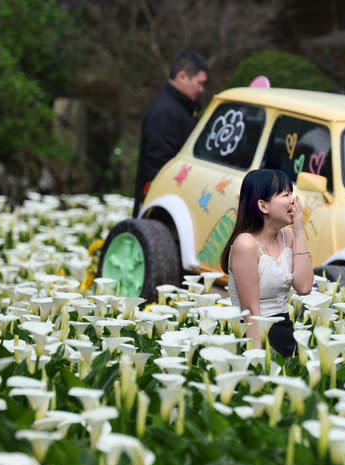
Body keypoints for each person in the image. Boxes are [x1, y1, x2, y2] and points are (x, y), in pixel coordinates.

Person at [220, 169, 314, 357]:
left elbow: (304, 287)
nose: (293, 200)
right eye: (286, 194)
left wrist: (299, 230)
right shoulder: (246, 245)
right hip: (255, 335)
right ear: (263, 206)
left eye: (292, 193)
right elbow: (251, 313)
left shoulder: (288, 236)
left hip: (286, 333)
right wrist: (257, 359)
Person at [133, 50, 209, 217]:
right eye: (199, 83)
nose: (202, 89)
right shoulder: (165, 112)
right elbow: (157, 164)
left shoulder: (183, 107)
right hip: (163, 202)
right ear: (182, 76)